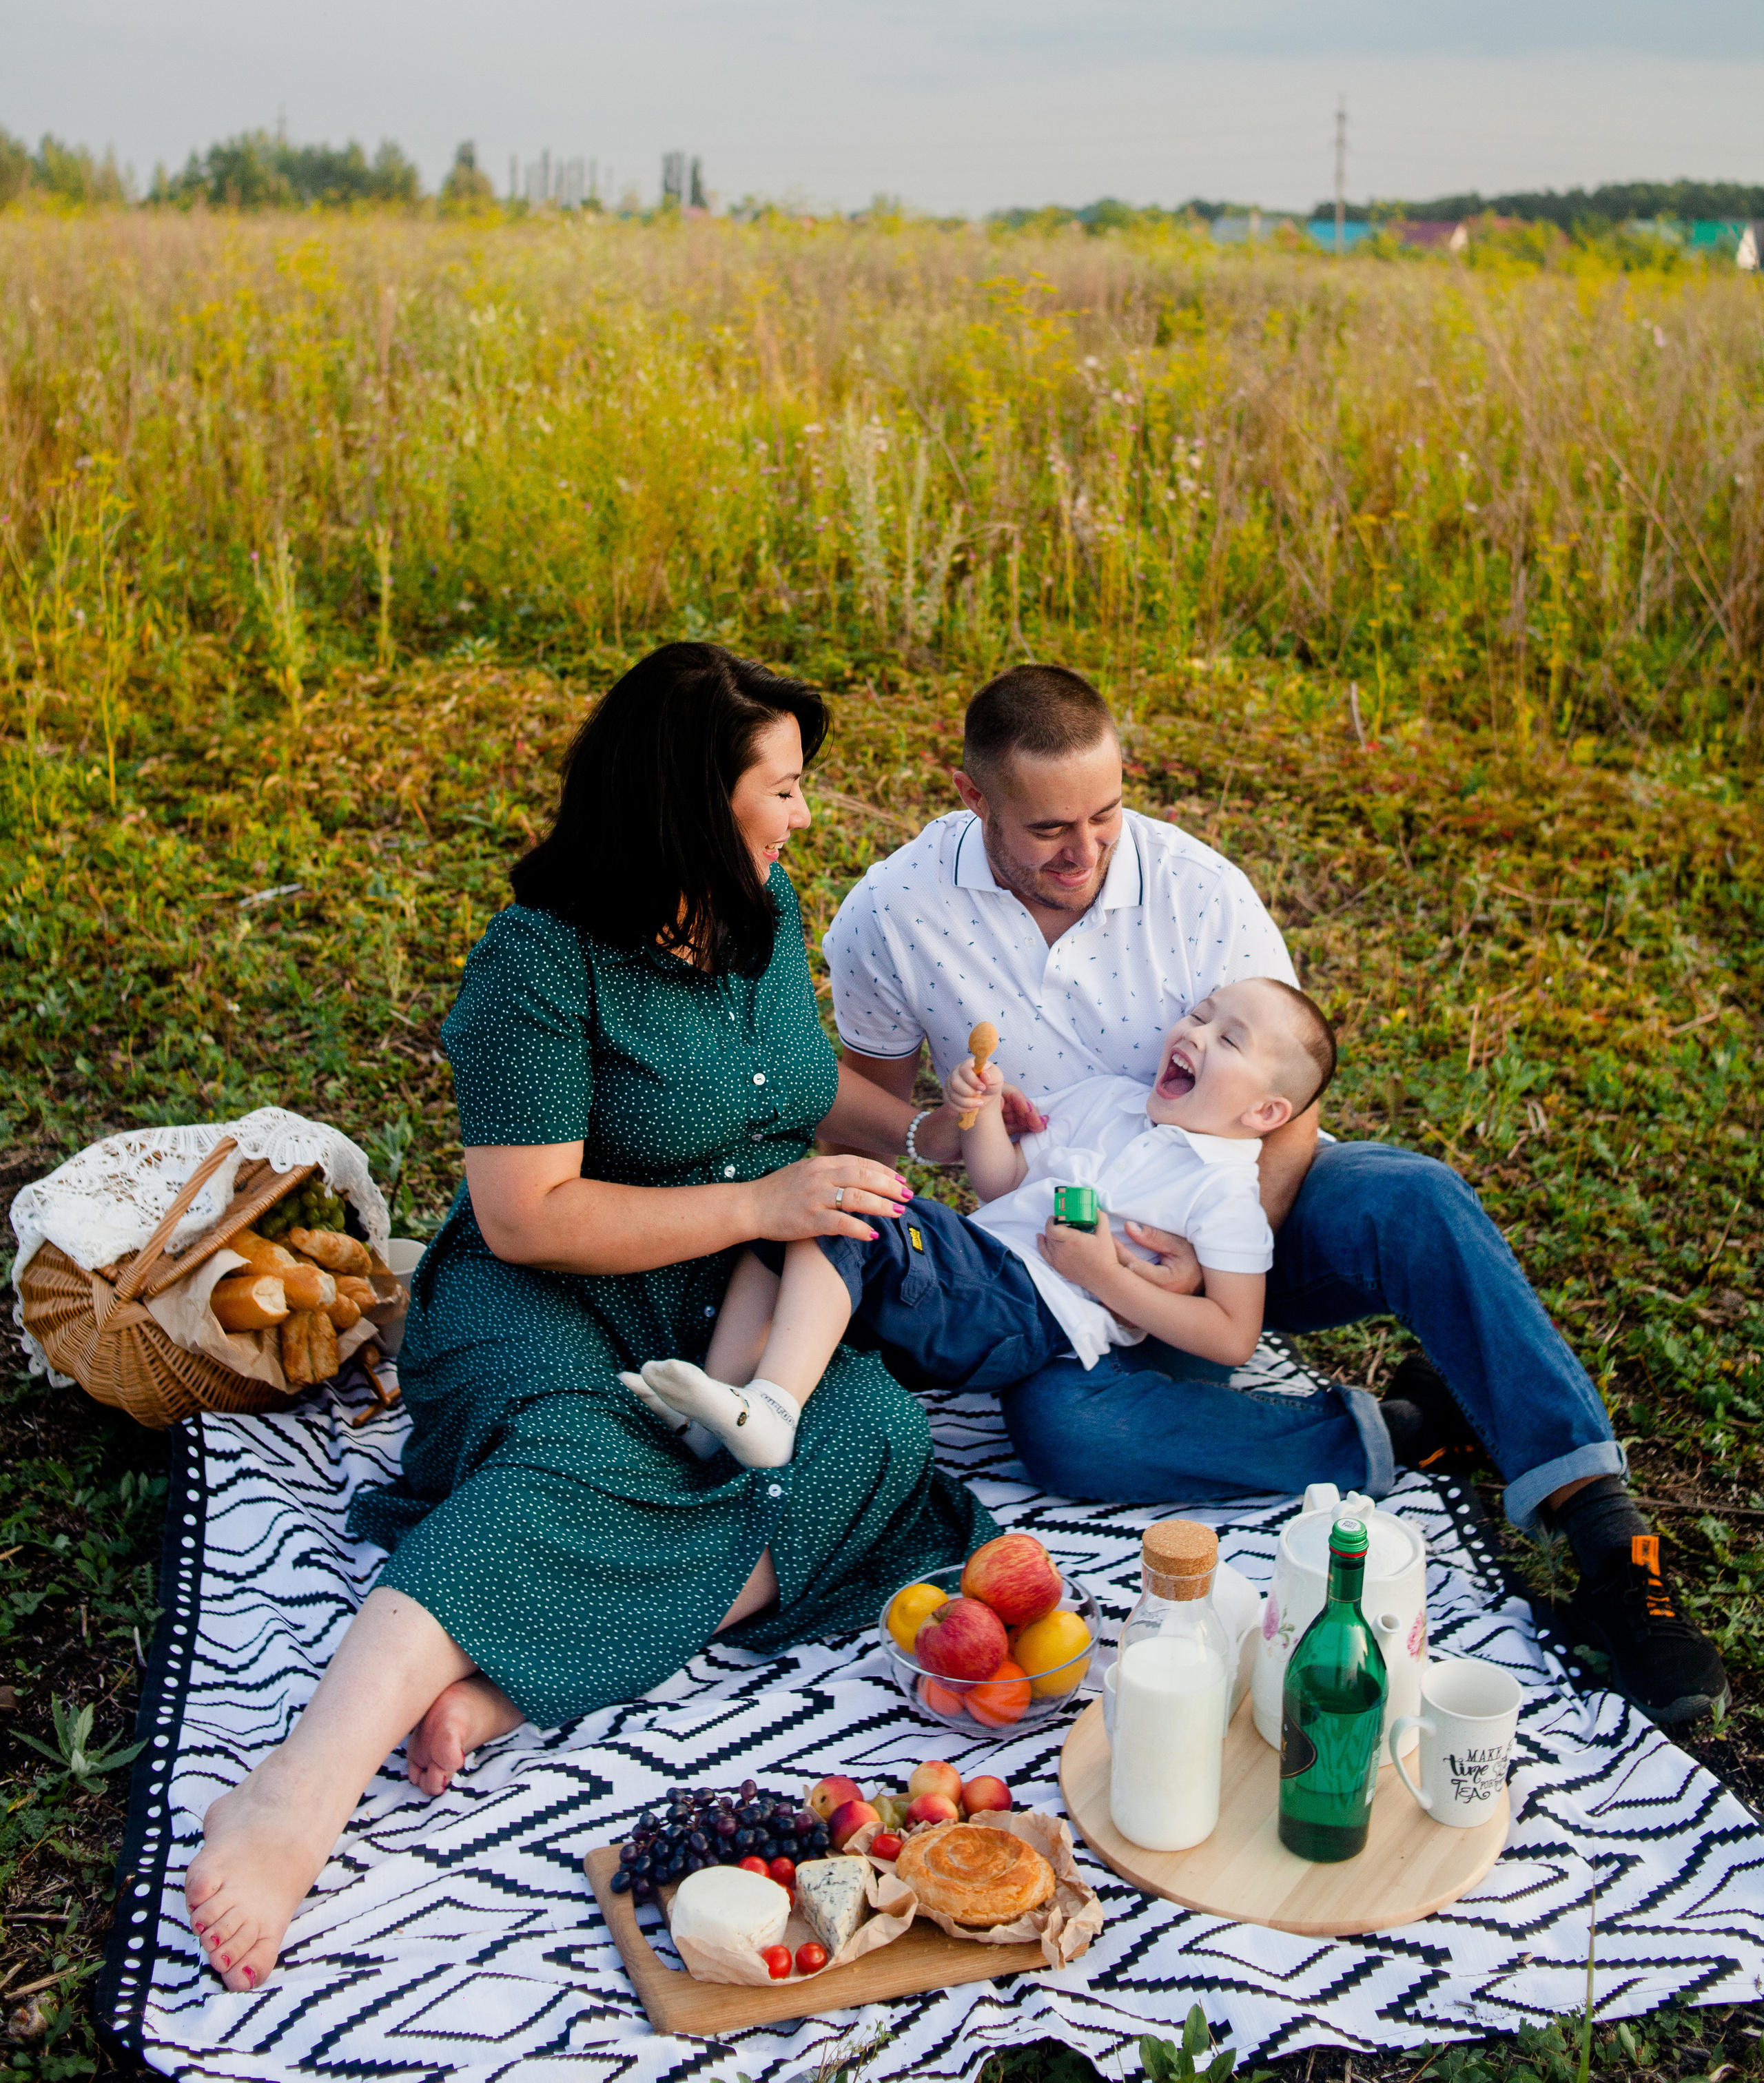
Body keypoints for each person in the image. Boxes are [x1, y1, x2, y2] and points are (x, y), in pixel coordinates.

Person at [185, 644, 993, 1992]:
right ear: (689, 797)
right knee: (590, 1459)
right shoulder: (538, 966)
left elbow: (786, 1093)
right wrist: (762, 1209)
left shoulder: (763, 905)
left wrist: (921, 1131)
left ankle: (499, 1684)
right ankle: (299, 1790)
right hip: (544, 1299)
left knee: (865, 1436)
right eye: (781, 789)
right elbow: (525, 1215)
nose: (803, 817)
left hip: (721, 1300)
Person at [820, 661, 1729, 1733]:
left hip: (1247, 1216)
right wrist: (950, 1134)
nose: (1087, 852)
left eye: (1107, 814)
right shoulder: (896, 908)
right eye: (1051, 830)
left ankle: (1607, 1537)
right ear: (974, 800)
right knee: (1067, 1434)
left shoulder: (1200, 888)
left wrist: (1208, 1268)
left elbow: (1284, 1104)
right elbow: (863, 1099)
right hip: (1066, 1270)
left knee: (1414, 1196)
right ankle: (1395, 1434)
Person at [628, 979, 1334, 1464]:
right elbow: (1002, 1183)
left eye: (1229, 1038)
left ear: (1266, 1113)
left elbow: (1233, 1338)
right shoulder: (1108, 1102)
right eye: (1201, 1013)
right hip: (977, 1268)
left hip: (1024, 1312)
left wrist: (1104, 1278)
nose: (1197, 1032)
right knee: (794, 1214)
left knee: (851, 1203)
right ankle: (711, 1419)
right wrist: (984, 1110)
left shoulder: (1223, 1196)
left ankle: (774, 1407)